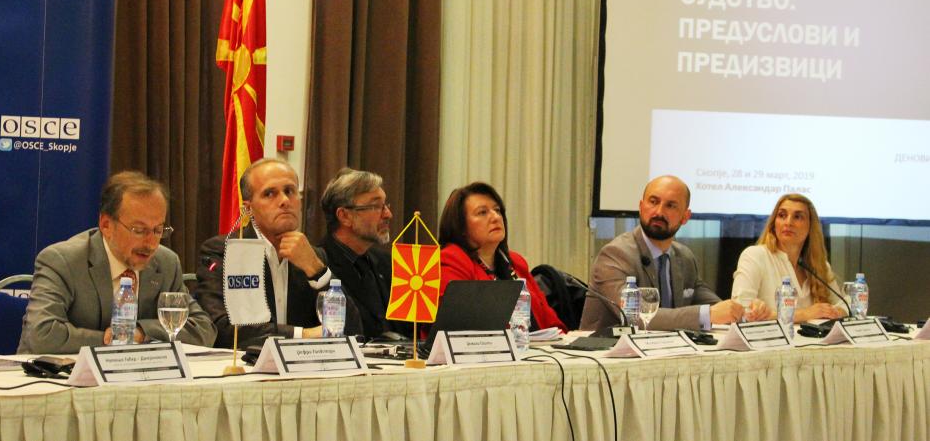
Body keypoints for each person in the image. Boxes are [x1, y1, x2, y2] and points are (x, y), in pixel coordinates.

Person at [18, 171, 216, 354]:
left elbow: (203, 329)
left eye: (158, 230)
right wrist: (113, 341)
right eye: (139, 230)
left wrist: (140, 333)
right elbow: (41, 335)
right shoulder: (63, 261)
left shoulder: (166, 263)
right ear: (106, 225)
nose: (151, 243)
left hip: (136, 376)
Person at [194, 159, 361, 348]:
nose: (284, 201)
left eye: (290, 191)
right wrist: (302, 335)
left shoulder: (313, 256)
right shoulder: (226, 251)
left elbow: (352, 329)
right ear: (248, 208)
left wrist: (316, 270)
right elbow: (220, 328)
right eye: (269, 193)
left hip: (304, 364)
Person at [580, 175, 769, 332]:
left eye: (670, 205)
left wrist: (745, 312)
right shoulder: (615, 255)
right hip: (606, 356)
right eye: (653, 202)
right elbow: (636, 316)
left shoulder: (684, 257)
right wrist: (708, 315)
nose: (659, 212)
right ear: (641, 206)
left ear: (685, 217)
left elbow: (713, 304)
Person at [437, 182, 567, 331]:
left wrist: (564, 339)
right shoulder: (452, 260)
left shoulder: (516, 262)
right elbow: (460, 326)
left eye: (497, 210)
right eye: (482, 212)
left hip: (537, 345)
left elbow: (551, 322)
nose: (495, 217)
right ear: (460, 226)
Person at [319, 168, 411, 339]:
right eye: (376, 206)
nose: (388, 214)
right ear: (345, 216)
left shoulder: (388, 263)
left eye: (386, 205)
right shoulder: (319, 265)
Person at [731, 193, 846, 323]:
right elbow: (740, 311)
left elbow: (844, 305)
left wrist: (835, 312)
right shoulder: (754, 256)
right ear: (774, 223)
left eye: (797, 217)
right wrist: (805, 314)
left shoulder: (820, 266)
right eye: (782, 215)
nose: (788, 222)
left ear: (811, 226)